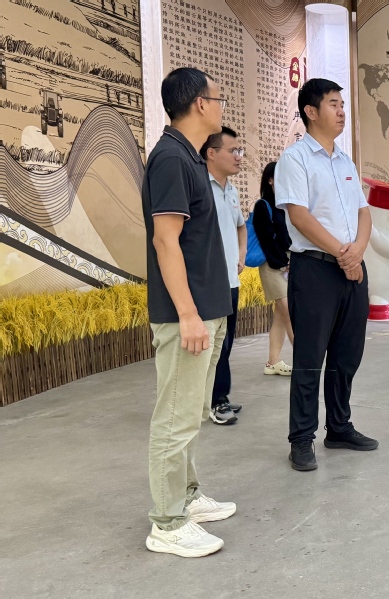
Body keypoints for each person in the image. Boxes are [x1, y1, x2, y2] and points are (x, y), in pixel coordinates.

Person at [142, 67, 236, 558]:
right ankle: (167, 522)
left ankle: (187, 495)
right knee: (175, 418)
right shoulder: (170, 159)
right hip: (188, 314)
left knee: (192, 413)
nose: (222, 107)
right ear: (200, 104)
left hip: (207, 309)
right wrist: (188, 314)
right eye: (218, 99)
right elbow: (166, 240)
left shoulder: (190, 158)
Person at [275, 78, 377, 471]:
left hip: (352, 268)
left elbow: (363, 212)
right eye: (333, 104)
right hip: (315, 269)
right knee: (309, 357)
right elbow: (299, 215)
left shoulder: (345, 161)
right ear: (311, 111)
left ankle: (339, 427)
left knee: (347, 354)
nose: (341, 111)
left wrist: (357, 252)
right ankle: (301, 438)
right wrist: (342, 253)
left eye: (342, 104)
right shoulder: (295, 158)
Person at [200, 126, 246, 425]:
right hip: (209, 283)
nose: (239, 157)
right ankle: (214, 402)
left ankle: (219, 396)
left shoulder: (231, 190)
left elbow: (241, 225)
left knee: (226, 343)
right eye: (233, 151)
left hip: (231, 280)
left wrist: (241, 255)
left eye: (240, 151)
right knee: (211, 346)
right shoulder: (198, 188)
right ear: (211, 153)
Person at [252, 162, 294, 376]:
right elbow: (266, 240)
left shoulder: (287, 206)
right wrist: (282, 263)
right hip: (272, 264)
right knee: (289, 311)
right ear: (270, 180)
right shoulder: (263, 205)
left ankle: (273, 362)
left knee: (281, 315)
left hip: (289, 263)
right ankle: (306, 362)